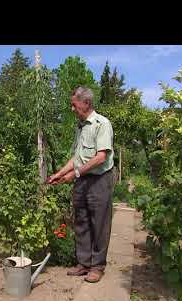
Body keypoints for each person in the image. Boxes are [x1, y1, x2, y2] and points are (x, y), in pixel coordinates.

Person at [47, 86, 114, 283]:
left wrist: (74, 174)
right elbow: (77, 157)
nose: (72, 109)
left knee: (99, 223)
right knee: (81, 220)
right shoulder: (81, 126)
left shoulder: (102, 124)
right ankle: (84, 263)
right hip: (82, 179)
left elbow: (101, 157)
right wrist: (59, 173)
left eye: (74, 105)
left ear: (86, 103)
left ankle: (97, 266)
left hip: (99, 180)